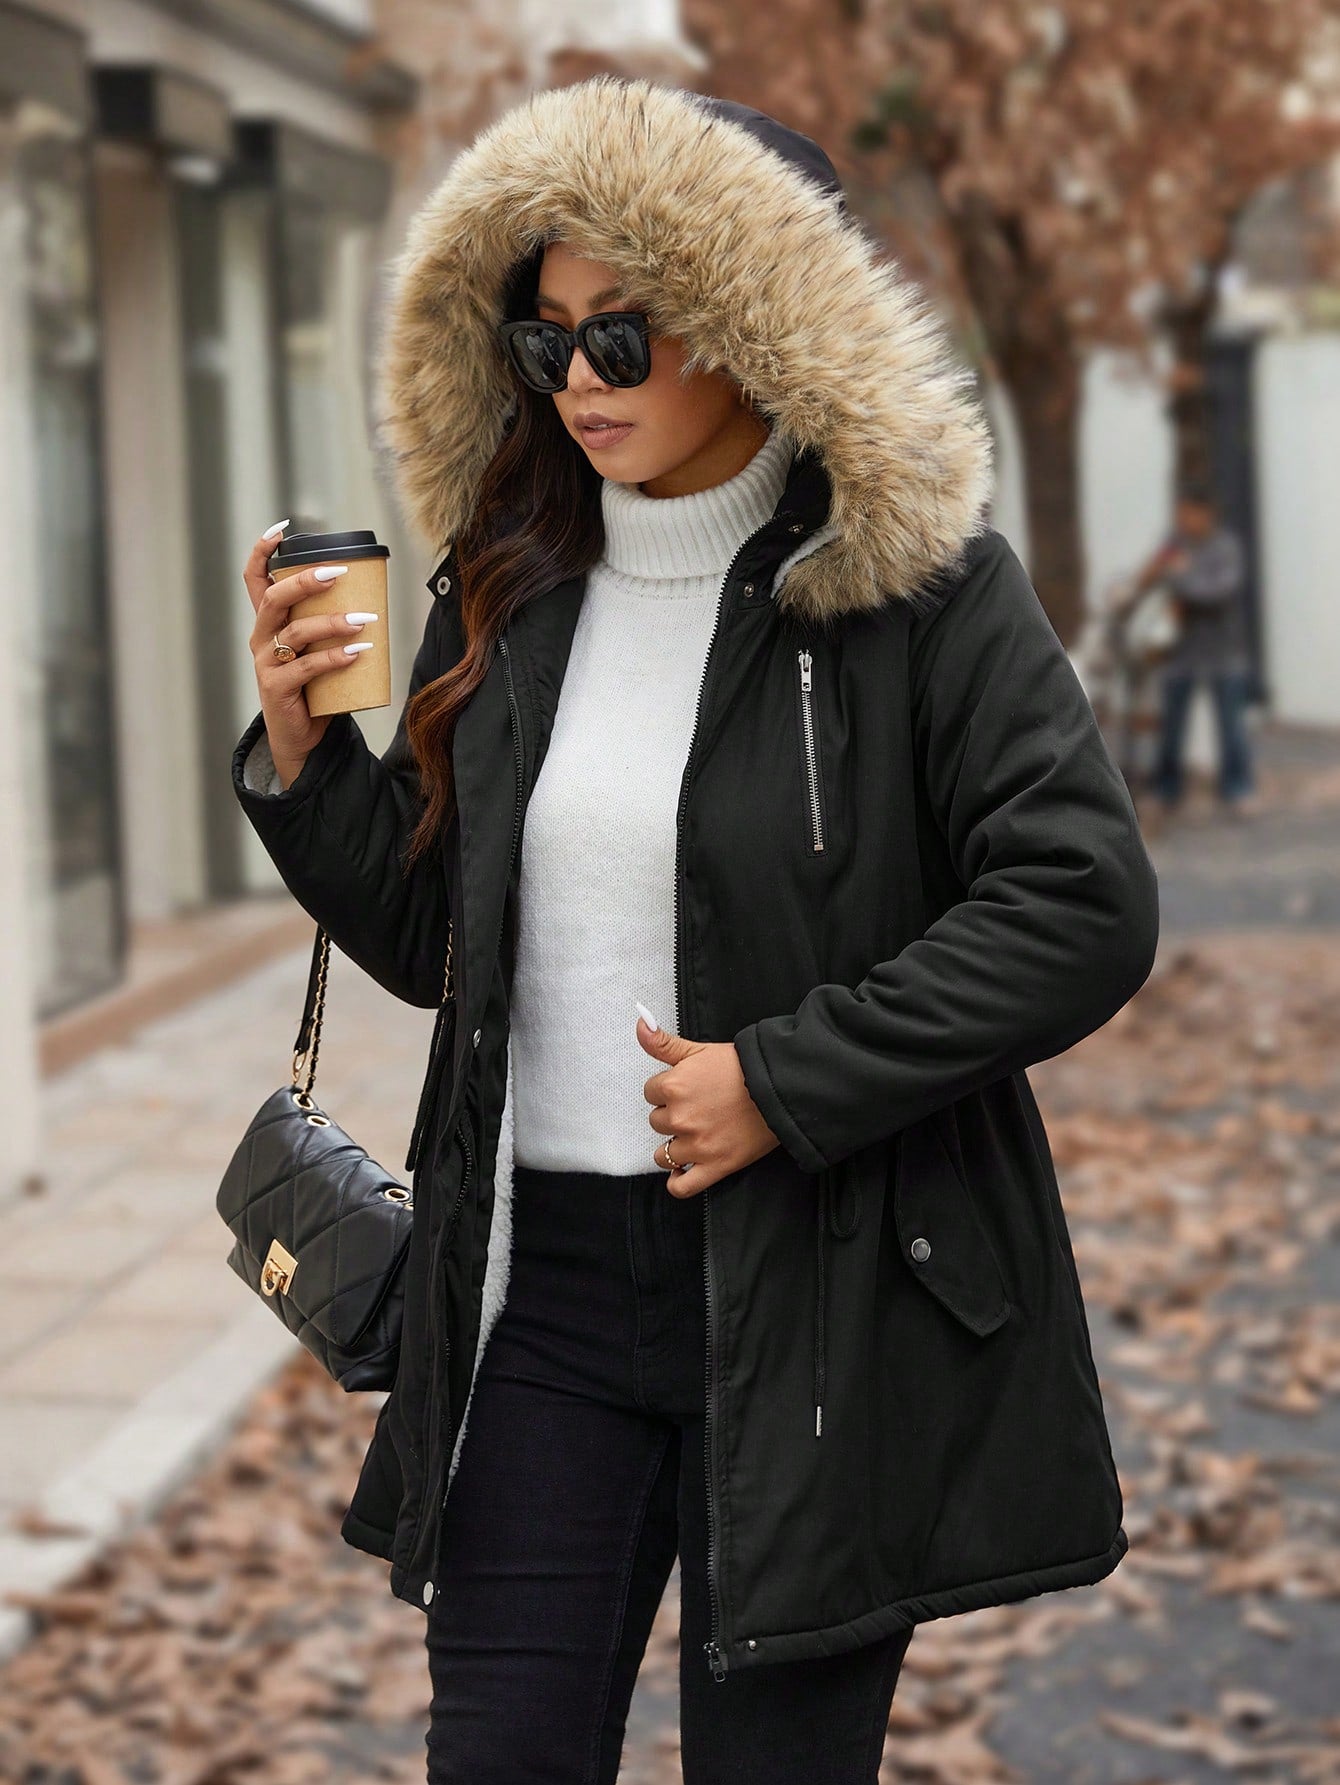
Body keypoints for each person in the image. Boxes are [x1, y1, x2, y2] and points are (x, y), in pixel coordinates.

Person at [230, 77, 1160, 1785]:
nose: (579, 379)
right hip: (540, 1298)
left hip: (817, 1299)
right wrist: (307, 764)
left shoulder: (921, 590)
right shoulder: (510, 581)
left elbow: (1083, 901)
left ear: (752, 321)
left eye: (624, 333)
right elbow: (443, 941)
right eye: (546, 340)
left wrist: (784, 1081)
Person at [1130, 482, 1260, 820]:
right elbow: (1147, 581)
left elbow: (1219, 592)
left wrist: (1180, 577)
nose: (1185, 520)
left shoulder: (1226, 547)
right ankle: (1166, 789)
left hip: (1224, 653)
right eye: (1182, 514)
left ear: (1207, 514)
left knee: (1231, 727)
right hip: (1180, 653)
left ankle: (1238, 789)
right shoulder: (1174, 544)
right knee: (1171, 727)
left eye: (1191, 514)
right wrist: (1152, 575)